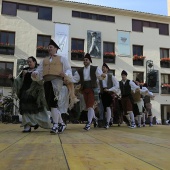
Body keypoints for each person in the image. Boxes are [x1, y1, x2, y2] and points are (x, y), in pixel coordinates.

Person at [32, 39, 72, 134]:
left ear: (56, 49)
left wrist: (65, 74)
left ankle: (55, 125)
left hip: (56, 82)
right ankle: (61, 123)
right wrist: (35, 73)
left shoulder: (62, 58)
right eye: (48, 47)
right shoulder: (44, 60)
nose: (49, 48)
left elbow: (68, 69)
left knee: (53, 104)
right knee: (51, 105)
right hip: (46, 82)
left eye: (51, 47)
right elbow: (40, 70)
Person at [9, 56, 51, 132]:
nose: (29, 63)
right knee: (25, 109)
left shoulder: (38, 70)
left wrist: (28, 74)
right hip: (25, 92)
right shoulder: (24, 70)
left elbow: (41, 80)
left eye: (30, 61)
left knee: (37, 109)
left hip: (35, 92)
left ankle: (37, 122)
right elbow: (18, 80)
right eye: (27, 62)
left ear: (34, 62)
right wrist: (12, 79)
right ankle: (27, 126)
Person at [72, 53, 106, 131]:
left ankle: (88, 123)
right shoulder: (80, 70)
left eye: (86, 60)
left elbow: (100, 76)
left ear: (90, 61)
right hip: (84, 89)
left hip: (92, 89)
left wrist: (103, 75)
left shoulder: (95, 68)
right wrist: (67, 78)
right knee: (88, 107)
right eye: (84, 60)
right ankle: (95, 119)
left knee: (90, 106)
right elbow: (75, 79)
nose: (85, 61)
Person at [98, 63, 119, 129]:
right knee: (103, 108)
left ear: (107, 69)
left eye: (104, 67)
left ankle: (107, 122)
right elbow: (98, 86)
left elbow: (117, 85)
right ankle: (106, 121)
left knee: (108, 107)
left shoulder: (110, 76)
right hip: (102, 93)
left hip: (109, 93)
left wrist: (110, 89)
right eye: (102, 67)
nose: (103, 68)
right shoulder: (100, 77)